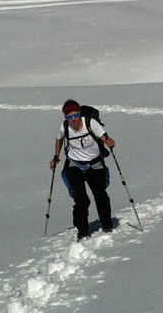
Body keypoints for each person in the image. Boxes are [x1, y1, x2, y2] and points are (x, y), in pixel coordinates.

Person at [50, 99, 117, 240]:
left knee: (100, 195)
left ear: (79, 113)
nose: (72, 119)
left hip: (95, 165)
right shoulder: (64, 127)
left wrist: (108, 141)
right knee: (81, 199)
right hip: (75, 165)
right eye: (69, 116)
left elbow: (103, 136)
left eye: (75, 115)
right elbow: (59, 138)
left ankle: (107, 225)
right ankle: (82, 231)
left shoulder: (91, 123)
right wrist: (56, 156)